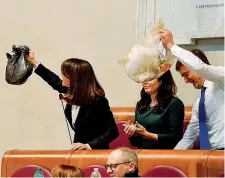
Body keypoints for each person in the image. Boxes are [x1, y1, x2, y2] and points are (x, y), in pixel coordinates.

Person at [28, 52, 119, 150]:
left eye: (64, 73)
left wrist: (89, 145)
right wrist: (33, 62)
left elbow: (112, 131)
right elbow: (53, 80)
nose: (61, 75)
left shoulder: (98, 101)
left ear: (75, 78)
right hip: (78, 153)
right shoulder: (72, 92)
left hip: (96, 153)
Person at [159, 28, 224, 150]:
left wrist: (171, 46)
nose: (185, 80)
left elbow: (200, 67)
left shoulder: (222, 79)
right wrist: (171, 158)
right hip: (213, 156)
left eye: (186, 74)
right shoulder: (200, 104)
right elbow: (189, 137)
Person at [123, 70, 184, 149]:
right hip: (142, 154)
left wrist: (148, 134)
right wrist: (133, 132)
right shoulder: (141, 104)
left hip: (163, 155)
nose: (144, 82)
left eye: (150, 78)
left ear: (161, 80)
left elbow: (176, 137)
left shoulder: (174, 104)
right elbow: (135, 143)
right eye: (144, 79)